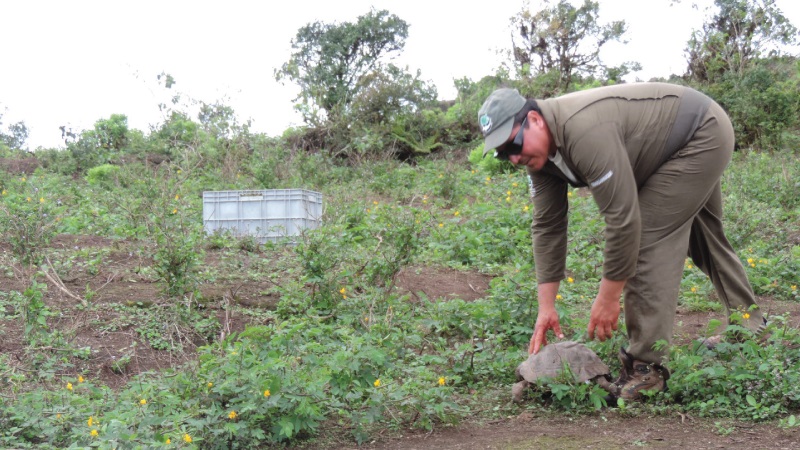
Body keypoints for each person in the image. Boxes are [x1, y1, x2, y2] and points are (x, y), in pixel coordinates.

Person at [478, 83, 765, 400]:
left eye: (514, 143)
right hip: (676, 143)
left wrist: (608, 297)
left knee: (647, 239)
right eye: (503, 153)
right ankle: (749, 326)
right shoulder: (539, 160)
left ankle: (646, 369)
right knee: (704, 239)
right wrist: (546, 306)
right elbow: (547, 224)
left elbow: (623, 220)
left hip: (698, 133)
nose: (514, 157)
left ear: (534, 119)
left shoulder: (583, 132)